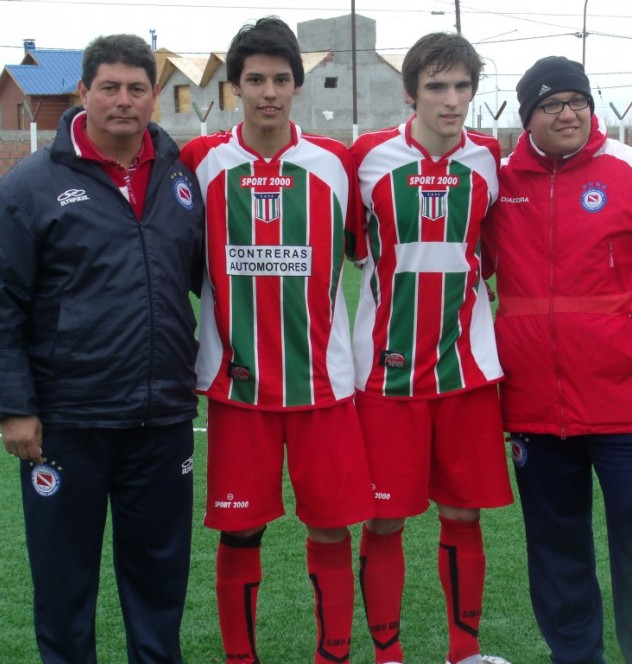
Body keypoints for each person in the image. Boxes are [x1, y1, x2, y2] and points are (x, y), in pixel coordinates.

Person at [0, 34, 204, 664]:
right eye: (109, 87)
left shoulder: (181, 180)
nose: (123, 101)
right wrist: (13, 407)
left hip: (163, 418)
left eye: (136, 88)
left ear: (154, 96)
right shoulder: (32, 186)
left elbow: (215, 280)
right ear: (83, 93)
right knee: (65, 585)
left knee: (160, 581)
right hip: (68, 422)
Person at [483, 55, 632, 664]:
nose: (567, 113)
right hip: (535, 406)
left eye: (576, 101)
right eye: (550, 104)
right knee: (556, 548)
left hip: (627, 405)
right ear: (526, 116)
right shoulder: (497, 182)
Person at [178, 17, 374, 664]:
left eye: (282, 79)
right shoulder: (200, 161)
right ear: (234, 86)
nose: (270, 91)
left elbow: (366, 251)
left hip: (322, 384)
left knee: (330, 525)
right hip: (237, 388)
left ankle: (334, 656)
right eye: (255, 79)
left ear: (298, 84)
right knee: (241, 530)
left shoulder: (336, 165)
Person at [348, 31, 514, 664]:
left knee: (465, 515)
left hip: (468, 372)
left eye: (462, 87)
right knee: (385, 521)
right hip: (387, 374)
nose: (451, 100)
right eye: (437, 86)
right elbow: (348, 243)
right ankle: (387, 656)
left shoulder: (491, 160)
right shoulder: (366, 157)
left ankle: (463, 653)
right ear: (411, 91)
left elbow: (494, 253)